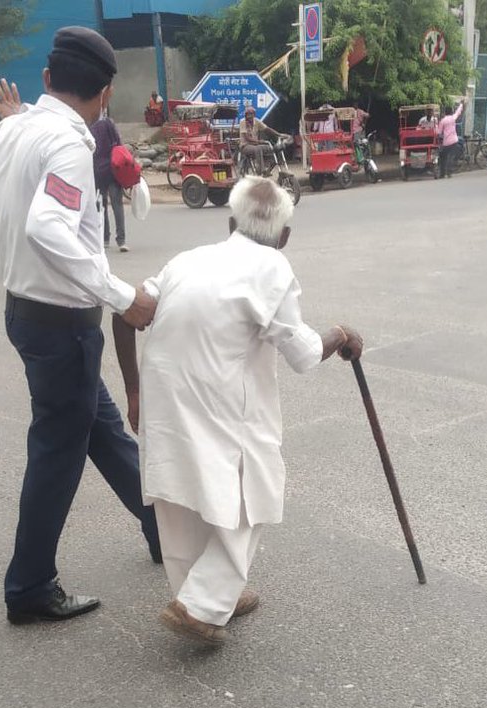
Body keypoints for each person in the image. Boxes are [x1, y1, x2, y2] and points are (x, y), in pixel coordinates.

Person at [112, 177, 363, 647]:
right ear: (284, 236)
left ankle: (203, 595)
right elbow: (305, 354)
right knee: (254, 492)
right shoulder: (274, 266)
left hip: (165, 395)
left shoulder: (188, 260)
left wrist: (134, 393)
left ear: (230, 222)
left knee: (180, 492)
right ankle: (203, 604)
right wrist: (341, 334)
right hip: (219, 402)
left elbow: (124, 311)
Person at [0, 26, 162, 626]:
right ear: (107, 92)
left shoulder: (17, 128)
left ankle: (161, 527)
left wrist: (11, 116)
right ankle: (30, 585)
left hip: (28, 313)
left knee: (103, 430)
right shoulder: (68, 142)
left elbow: (13, 134)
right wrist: (123, 296)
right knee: (57, 453)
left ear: (45, 79)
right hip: (61, 323)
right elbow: (49, 227)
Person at [91, 109, 127, 251]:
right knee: (117, 204)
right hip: (113, 170)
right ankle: (121, 240)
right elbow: (118, 144)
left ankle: (105, 238)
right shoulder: (109, 124)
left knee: (102, 206)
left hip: (98, 172)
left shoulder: (89, 127)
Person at [239, 106, 281, 174]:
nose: (249, 116)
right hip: (245, 146)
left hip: (256, 145)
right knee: (258, 149)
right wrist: (260, 141)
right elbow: (247, 138)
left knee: (271, 148)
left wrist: (279, 134)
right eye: (247, 114)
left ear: (254, 114)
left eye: (251, 114)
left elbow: (267, 129)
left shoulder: (257, 121)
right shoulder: (242, 122)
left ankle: (271, 166)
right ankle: (261, 170)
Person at [436, 99, 463, 178]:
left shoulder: (443, 121)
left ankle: (442, 173)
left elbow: (439, 132)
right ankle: (449, 172)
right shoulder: (453, 118)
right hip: (454, 140)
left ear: (444, 112)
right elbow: (458, 112)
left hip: (446, 142)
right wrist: (461, 104)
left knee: (443, 157)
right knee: (451, 156)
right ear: (451, 112)